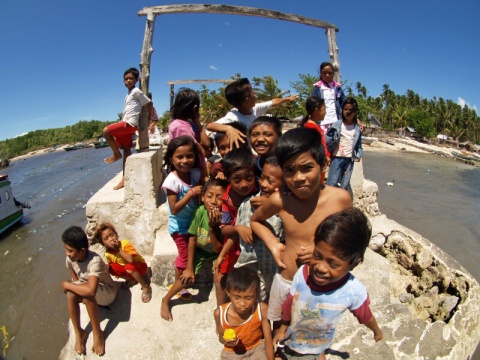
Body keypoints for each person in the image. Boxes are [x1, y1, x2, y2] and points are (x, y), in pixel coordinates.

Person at [250, 127, 352, 327]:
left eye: (306, 168)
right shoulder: (281, 200)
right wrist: (273, 244)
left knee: (315, 333)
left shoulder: (340, 199)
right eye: (289, 170)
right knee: (280, 327)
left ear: (323, 165)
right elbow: (255, 220)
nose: (298, 178)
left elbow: (349, 237)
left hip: (321, 287)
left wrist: (322, 252)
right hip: (287, 282)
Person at [273, 208, 383, 359]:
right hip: (292, 338)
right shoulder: (302, 274)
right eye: (317, 256)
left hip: (318, 344)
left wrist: (377, 331)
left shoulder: (352, 290)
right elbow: (289, 303)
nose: (321, 267)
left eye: (333, 264)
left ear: (354, 264)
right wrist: (281, 329)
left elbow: (364, 315)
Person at [161, 178, 227, 321]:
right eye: (209, 196)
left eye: (219, 197)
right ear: (202, 197)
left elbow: (218, 249)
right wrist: (189, 267)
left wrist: (212, 228)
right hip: (201, 250)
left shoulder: (225, 217)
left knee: (219, 277)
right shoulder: (199, 211)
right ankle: (166, 300)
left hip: (218, 253)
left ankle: (220, 313)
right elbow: (192, 238)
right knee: (186, 276)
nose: (214, 201)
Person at [61, 226, 117, 356]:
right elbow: (75, 279)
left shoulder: (94, 261)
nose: (67, 254)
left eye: (70, 250)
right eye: (66, 249)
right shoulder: (71, 258)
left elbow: (91, 291)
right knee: (71, 294)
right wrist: (73, 288)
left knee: (86, 293)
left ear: (82, 250)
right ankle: (79, 332)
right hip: (92, 289)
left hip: (107, 293)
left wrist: (66, 285)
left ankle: (98, 334)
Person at [234, 156, 284, 301]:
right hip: (250, 268)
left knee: (275, 303)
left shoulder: (285, 210)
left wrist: (272, 205)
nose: (263, 184)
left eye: (270, 181)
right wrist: (239, 228)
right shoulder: (246, 204)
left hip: (273, 270)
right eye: (262, 178)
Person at [161, 136, 203, 304]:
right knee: (184, 261)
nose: (185, 161)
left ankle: (180, 286)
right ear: (171, 158)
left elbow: (203, 172)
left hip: (191, 223)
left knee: (185, 256)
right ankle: (178, 288)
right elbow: (174, 208)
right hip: (179, 227)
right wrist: (192, 193)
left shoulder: (194, 173)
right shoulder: (172, 181)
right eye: (180, 157)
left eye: (189, 156)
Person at [213, 147, 258, 305]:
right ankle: (221, 310)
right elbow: (225, 229)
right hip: (234, 245)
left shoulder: (259, 192)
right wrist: (238, 228)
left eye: (249, 177)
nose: (244, 184)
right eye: (237, 179)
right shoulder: (227, 200)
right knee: (220, 277)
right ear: (228, 178)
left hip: (256, 246)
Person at [206, 78, 298, 149]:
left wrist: (288, 99)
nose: (256, 95)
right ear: (247, 100)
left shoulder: (254, 109)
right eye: (253, 93)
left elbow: (273, 102)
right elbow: (209, 126)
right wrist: (228, 128)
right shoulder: (233, 117)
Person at [103, 67, 154, 190]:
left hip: (130, 124)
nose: (128, 81)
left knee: (106, 131)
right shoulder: (129, 94)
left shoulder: (136, 91)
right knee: (126, 149)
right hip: (125, 122)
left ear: (136, 79)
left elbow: (149, 103)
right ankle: (124, 180)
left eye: (131, 78)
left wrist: (149, 119)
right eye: (126, 79)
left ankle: (116, 154)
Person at [213, 267, 274, 360]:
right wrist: (226, 341)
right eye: (237, 297)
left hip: (257, 348)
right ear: (228, 293)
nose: (242, 303)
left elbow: (268, 340)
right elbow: (221, 338)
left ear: (257, 294)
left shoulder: (261, 309)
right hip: (232, 353)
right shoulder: (219, 314)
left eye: (248, 298)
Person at [92, 222, 152, 303]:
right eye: (106, 238)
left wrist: (118, 249)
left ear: (116, 234)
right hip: (130, 271)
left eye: (112, 234)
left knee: (129, 267)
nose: (111, 239)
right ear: (103, 243)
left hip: (140, 267)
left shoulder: (125, 244)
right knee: (109, 268)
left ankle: (145, 287)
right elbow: (113, 266)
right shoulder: (108, 253)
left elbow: (130, 260)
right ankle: (131, 279)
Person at [168, 88, 211, 178]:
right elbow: (201, 148)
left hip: (194, 169)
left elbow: (206, 143)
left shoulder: (190, 124)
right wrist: (201, 146)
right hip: (189, 171)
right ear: (195, 107)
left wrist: (196, 121)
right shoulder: (179, 126)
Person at [326, 97, 363, 193]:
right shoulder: (337, 125)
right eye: (345, 109)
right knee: (332, 183)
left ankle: (342, 205)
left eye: (351, 110)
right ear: (342, 110)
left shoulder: (357, 129)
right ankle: (329, 204)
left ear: (355, 112)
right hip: (337, 158)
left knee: (345, 184)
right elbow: (328, 139)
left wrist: (358, 155)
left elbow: (359, 144)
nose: (348, 112)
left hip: (349, 160)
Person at [300, 96, 331, 184]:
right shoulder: (310, 127)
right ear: (317, 110)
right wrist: (324, 156)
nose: (325, 112)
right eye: (324, 109)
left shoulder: (314, 126)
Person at [311, 62, 345, 133]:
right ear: (320, 73)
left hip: (336, 122)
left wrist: (355, 118)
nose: (327, 75)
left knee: (335, 143)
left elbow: (344, 103)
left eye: (330, 73)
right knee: (322, 142)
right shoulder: (318, 88)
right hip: (322, 123)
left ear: (333, 74)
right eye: (324, 73)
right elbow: (312, 104)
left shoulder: (337, 88)